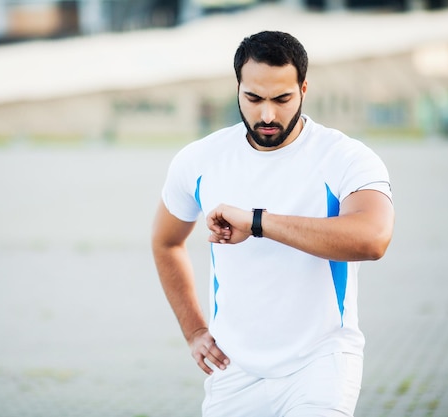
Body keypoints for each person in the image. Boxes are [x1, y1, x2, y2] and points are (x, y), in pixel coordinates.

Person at [151, 31, 394, 417]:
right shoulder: (199, 160)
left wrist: (258, 222)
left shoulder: (345, 157)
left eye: (282, 99)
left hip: (321, 362)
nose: (267, 115)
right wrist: (194, 330)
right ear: (238, 89)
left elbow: (373, 239)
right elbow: (166, 243)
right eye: (253, 99)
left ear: (303, 88)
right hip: (232, 369)